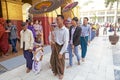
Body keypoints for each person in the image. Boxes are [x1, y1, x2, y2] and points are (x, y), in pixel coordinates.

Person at [51, 15, 69, 80]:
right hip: (55, 45)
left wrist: (61, 52)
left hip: (61, 47)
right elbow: (54, 37)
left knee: (60, 61)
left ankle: (61, 73)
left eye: (58, 19)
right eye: (56, 20)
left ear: (62, 20)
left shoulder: (65, 30)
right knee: (54, 59)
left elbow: (66, 43)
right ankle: (55, 71)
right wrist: (53, 39)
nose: (57, 21)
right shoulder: (56, 29)